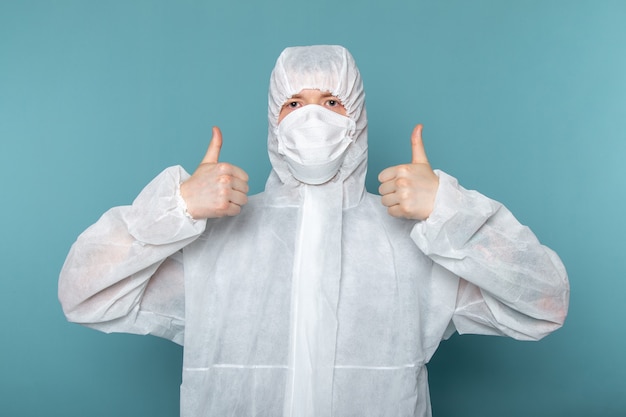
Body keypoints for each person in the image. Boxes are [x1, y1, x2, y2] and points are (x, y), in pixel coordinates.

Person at [58, 45, 569, 417]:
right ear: (274, 122)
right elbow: (84, 295)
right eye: (294, 104)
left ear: (358, 120)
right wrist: (174, 210)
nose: (311, 120)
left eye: (331, 102)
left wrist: (449, 214)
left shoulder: (415, 241)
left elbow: (544, 303)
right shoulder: (216, 241)